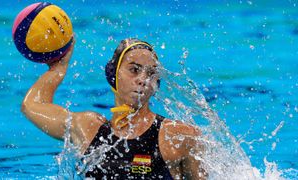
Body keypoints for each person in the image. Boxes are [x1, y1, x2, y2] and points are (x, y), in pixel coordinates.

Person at [21, 38, 207, 179]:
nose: (143, 79)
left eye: (151, 73)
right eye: (134, 70)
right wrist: (58, 68)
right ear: (113, 75)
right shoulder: (88, 128)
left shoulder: (178, 137)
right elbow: (32, 106)